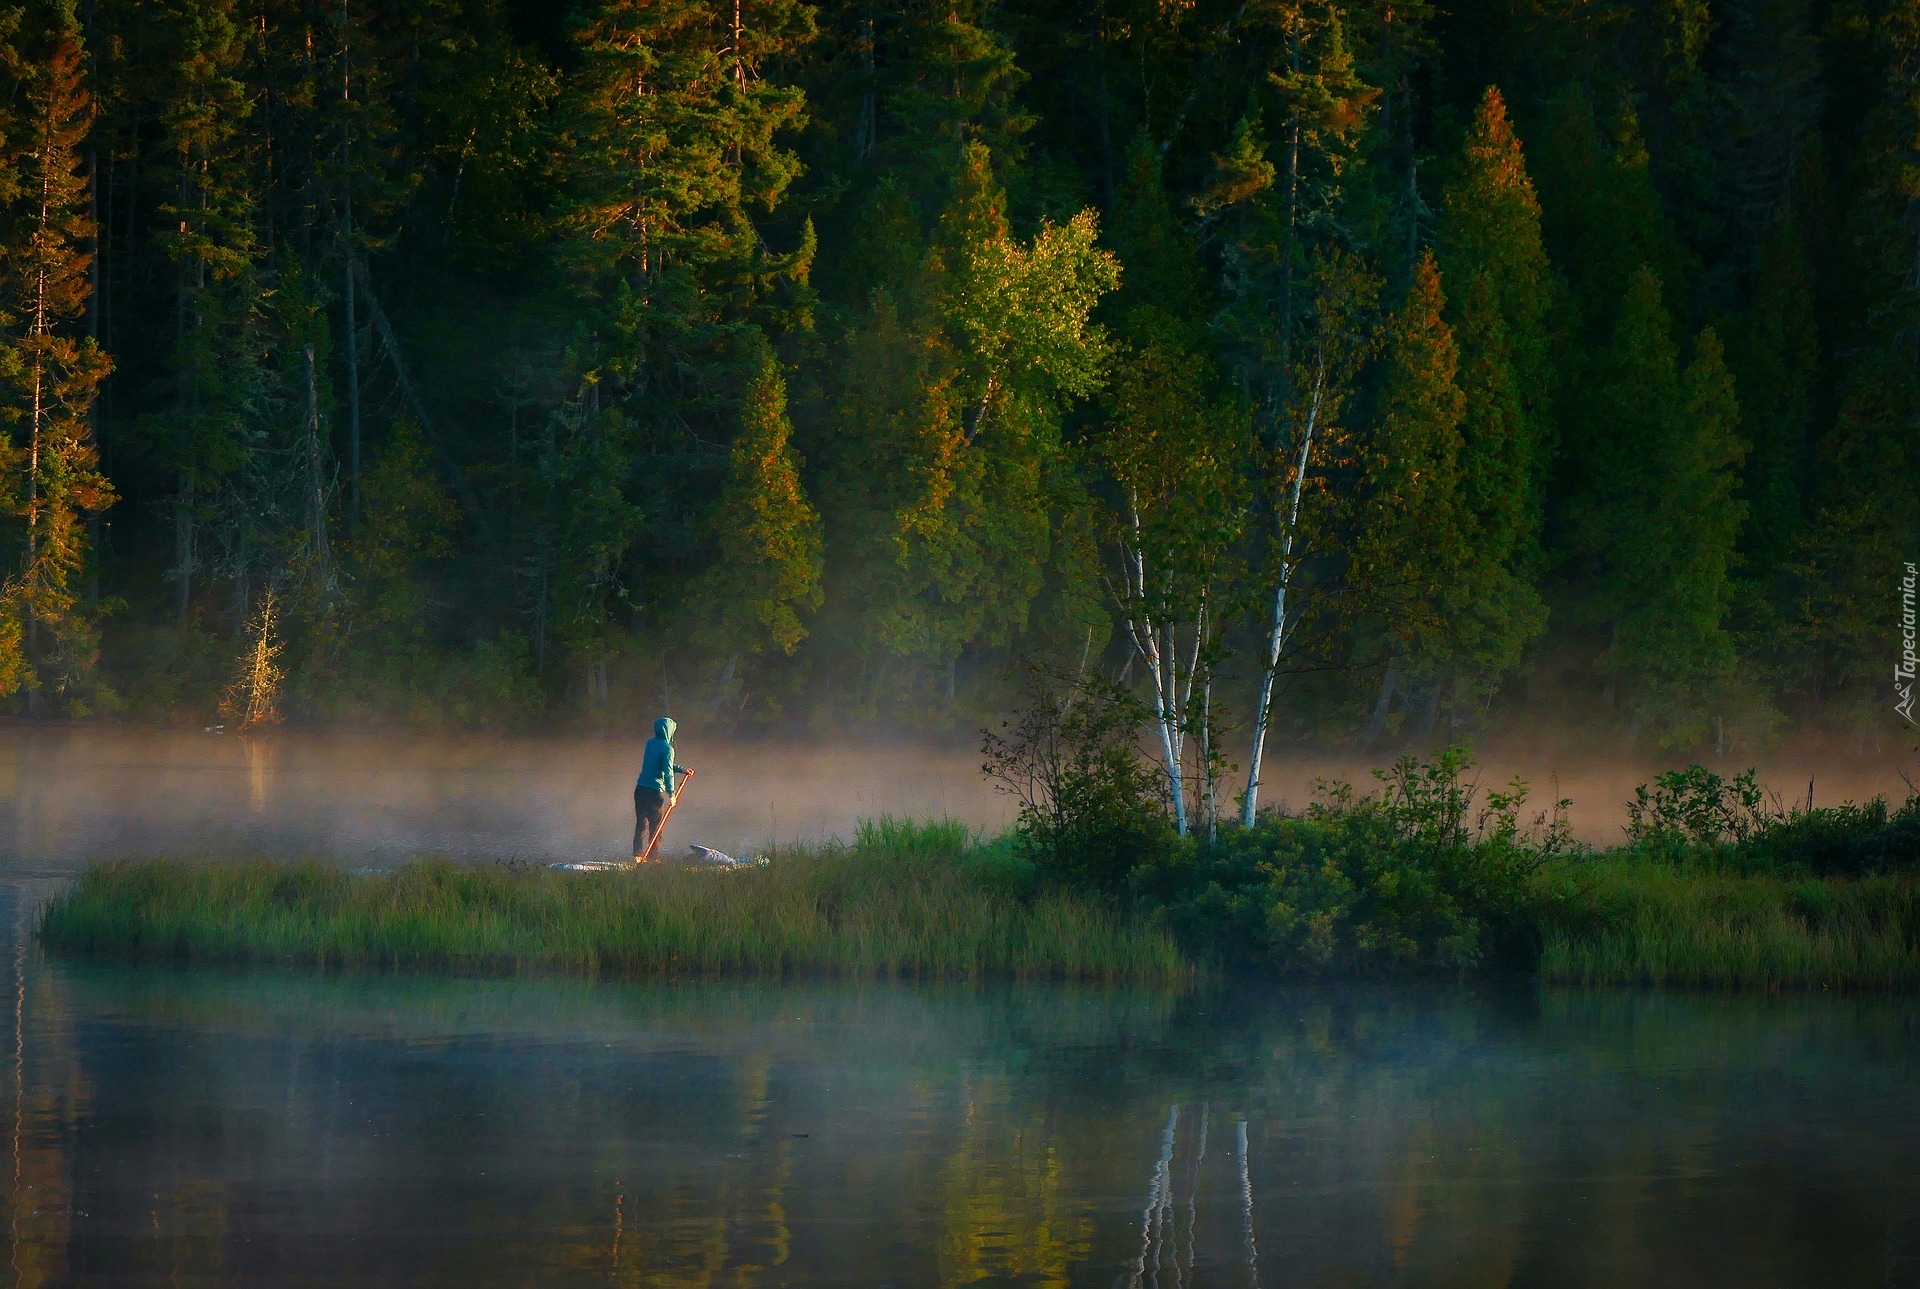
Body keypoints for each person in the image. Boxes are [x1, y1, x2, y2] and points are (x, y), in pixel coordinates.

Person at [633, 716, 691, 862]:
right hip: (654, 792)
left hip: (640, 789)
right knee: (656, 826)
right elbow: (667, 771)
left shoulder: (650, 744)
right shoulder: (668, 748)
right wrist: (672, 794)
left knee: (641, 823)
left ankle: (637, 856)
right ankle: (653, 858)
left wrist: (682, 769)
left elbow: (661, 764)